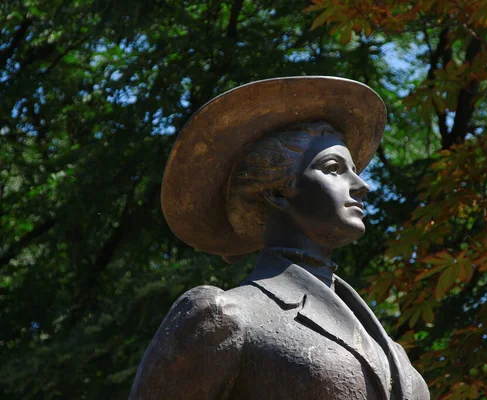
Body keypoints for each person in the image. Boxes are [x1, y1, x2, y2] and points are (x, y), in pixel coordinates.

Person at [129, 77, 430, 400]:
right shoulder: (225, 315)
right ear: (277, 191)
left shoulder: (393, 353)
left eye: (354, 170)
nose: (361, 185)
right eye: (333, 169)